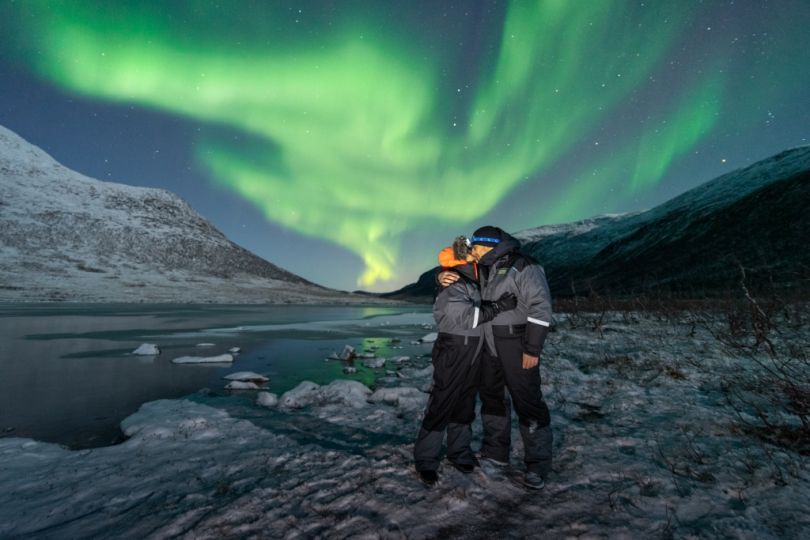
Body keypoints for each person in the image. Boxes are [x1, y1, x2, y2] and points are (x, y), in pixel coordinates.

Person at [438, 225, 553, 490]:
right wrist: (440, 276)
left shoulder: (523, 266)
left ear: (488, 245)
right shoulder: (484, 268)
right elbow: (455, 267)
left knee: (528, 402)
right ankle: (495, 453)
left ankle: (537, 464)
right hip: (489, 346)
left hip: (517, 345)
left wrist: (532, 349)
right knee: (492, 399)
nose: (472, 251)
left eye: (475, 247)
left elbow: (541, 307)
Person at [413, 237, 518, 487]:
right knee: (442, 401)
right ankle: (426, 459)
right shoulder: (453, 281)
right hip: (454, 349)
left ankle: (459, 452)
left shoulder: (475, 277)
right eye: (471, 251)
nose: (476, 253)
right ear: (463, 256)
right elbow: (466, 317)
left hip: (474, 350)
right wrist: (499, 307)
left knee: (465, 402)